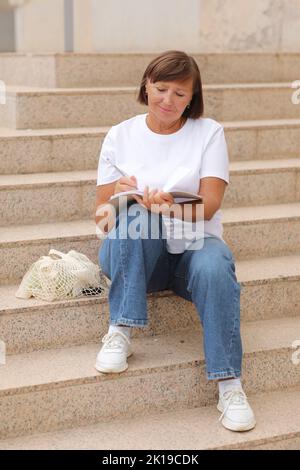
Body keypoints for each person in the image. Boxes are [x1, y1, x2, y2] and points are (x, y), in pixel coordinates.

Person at [94, 50, 256, 432]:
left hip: (191, 250)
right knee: (136, 216)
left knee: (216, 263)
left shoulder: (208, 132)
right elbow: (101, 217)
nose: (168, 100)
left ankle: (229, 383)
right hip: (135, 255)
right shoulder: (121, 135)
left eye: (179, 94)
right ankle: (120, 330)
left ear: (193, 96)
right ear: (146, 86)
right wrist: (120, 198)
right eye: (160, 88)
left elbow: (211, 204)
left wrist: (171, 209)